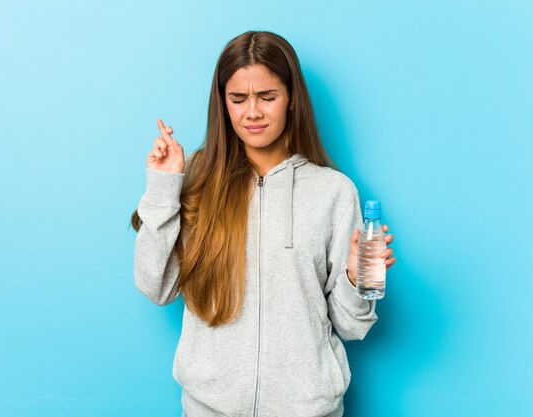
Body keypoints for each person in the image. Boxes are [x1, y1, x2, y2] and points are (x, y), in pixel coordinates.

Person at [130, 30, 396, 417]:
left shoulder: (333, 192)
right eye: (238, 99)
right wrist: (164, 186)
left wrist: (356, 279)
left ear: (291, 100)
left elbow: (352, 327)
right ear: (223, 104)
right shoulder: (197, 179)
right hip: (209, 408)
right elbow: (157, 287)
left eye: (267, 97)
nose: (252, 112)